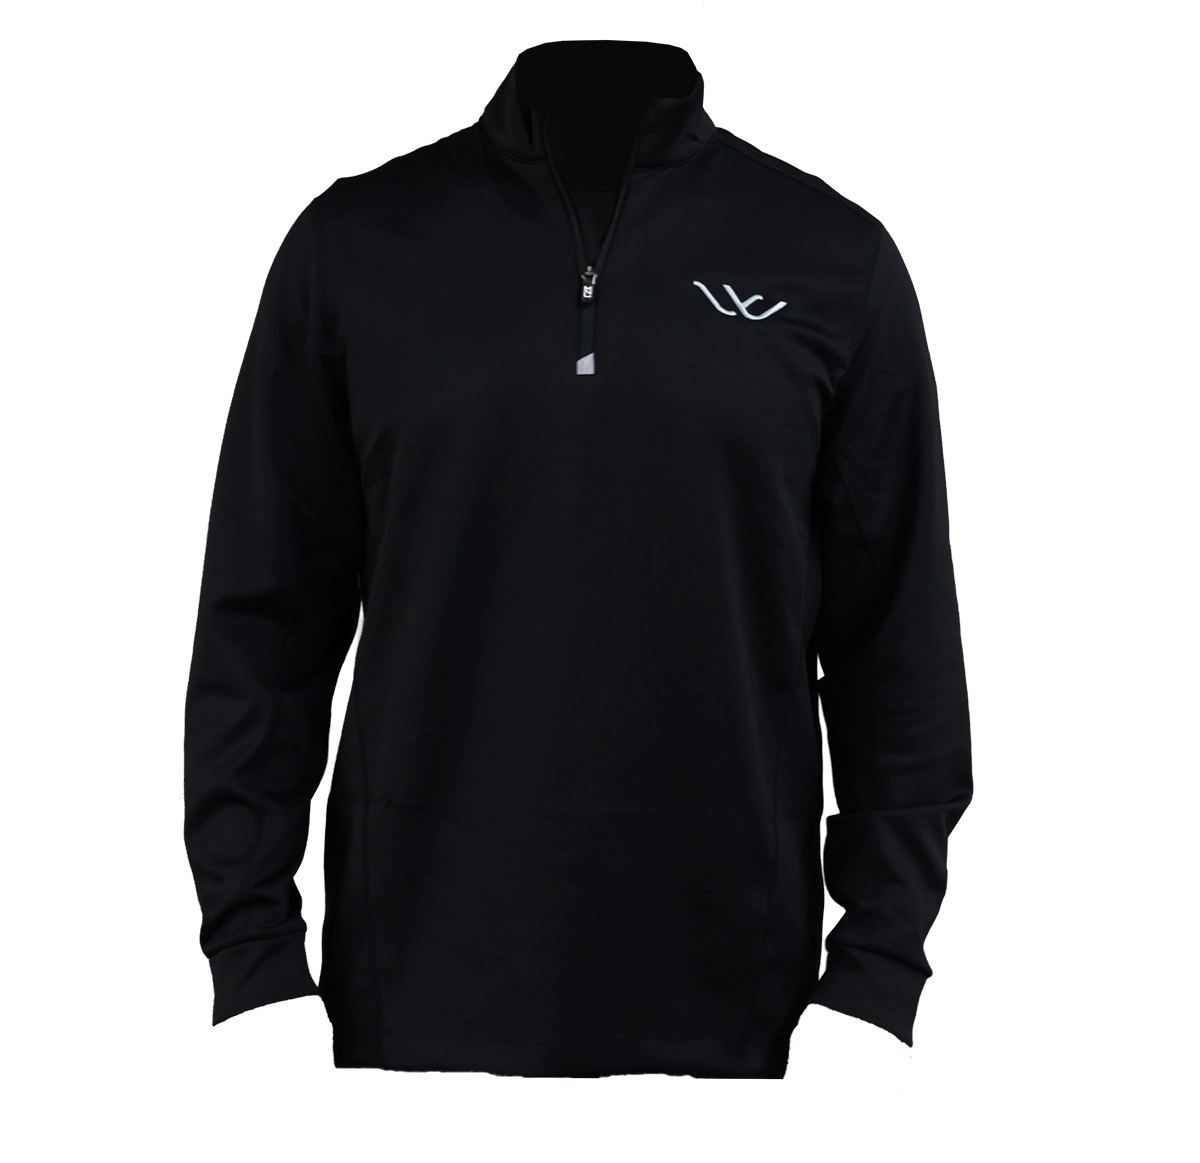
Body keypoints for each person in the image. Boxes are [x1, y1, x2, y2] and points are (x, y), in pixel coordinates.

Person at [185, 36, 974, 1080]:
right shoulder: (355, 245)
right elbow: (263, 623)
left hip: (738, 1004)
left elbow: (898, 642)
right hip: (417, 995)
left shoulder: (829, 256)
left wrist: (877, 967)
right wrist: (252, 953)